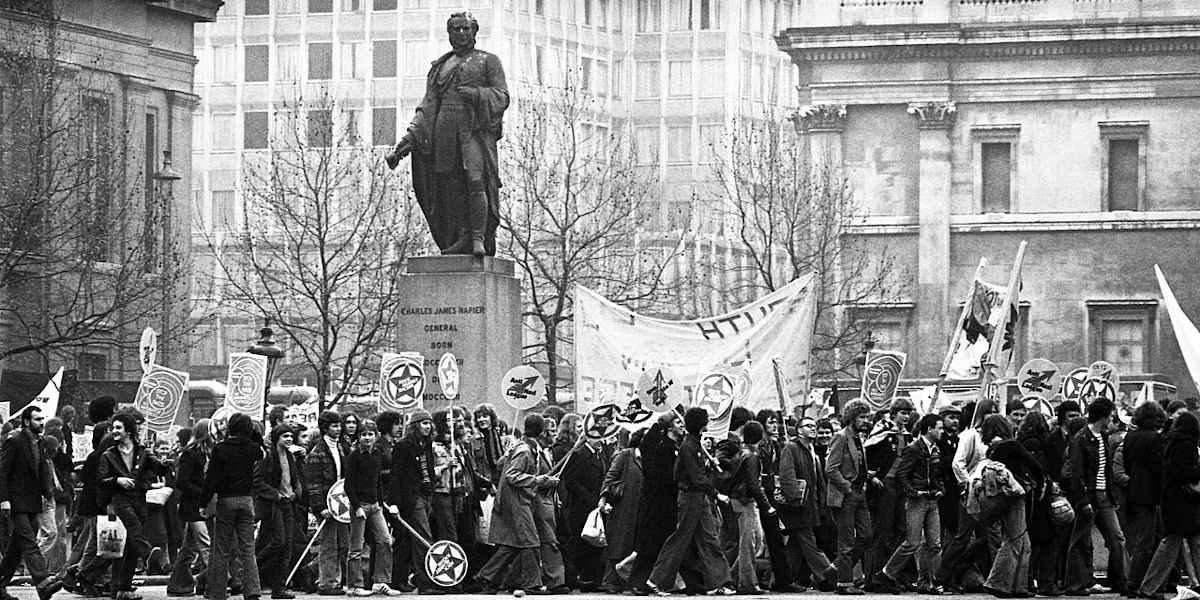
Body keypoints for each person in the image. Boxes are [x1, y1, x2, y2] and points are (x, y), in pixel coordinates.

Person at [385, 11, 510, 257]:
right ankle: (462, 235)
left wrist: (475, 94)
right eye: (456, 29)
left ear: (474, 31)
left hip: (472, 129)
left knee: (475, 180)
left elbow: (502, 96)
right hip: (444, 130)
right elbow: (428, 108)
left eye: (466, 28)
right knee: (451, 185)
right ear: (449, 33)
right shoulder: (440, 67)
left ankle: (478, 237)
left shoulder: (488, 61)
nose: (462, 33)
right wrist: (403, 146)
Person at [647, 407, 734, 596]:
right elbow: (695, 477)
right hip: (690, 496)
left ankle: (718, 582)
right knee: (681, 538)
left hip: (697, 497)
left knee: (709, 538)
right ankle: (657, 580)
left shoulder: (692, 444)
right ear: (702, 424)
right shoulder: (689, 446)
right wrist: (716, 494)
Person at [475, 414, 560, 593]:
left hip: (515, 499)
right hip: (516, 501)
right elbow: (512, 475)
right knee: (531, 541)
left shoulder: (521, 446)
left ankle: (485, 578)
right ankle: (532, 584)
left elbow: (500, 466)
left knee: (512, 544)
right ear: (542, 431)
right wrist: (539, 479)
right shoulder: (525, 450)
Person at [0, 405, 64, 600]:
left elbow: (42, 470)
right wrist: (3, 499)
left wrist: (47, 494)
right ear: (27, 421)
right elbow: (2, 471)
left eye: (42, 419)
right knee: (29, 543)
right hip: (16, 502)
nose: (42, 422)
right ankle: (43, 583)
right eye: (37, 419)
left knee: (16, 549)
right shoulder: (15, 440)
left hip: (34, 502)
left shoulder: (41, 442)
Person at [1065, 397, 1127, 595]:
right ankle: (1075, 584)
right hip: (1090, 496)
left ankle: (1120, 581)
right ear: (1102, 416)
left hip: (1103, 496)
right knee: (1081, 541)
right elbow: (1077, 472)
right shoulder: (1081, 439)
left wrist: (1111, 495)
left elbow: (1105, 470)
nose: (1112, 420)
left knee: (1117, 538)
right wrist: (1082, 500)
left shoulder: (1102, 437)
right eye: (1110, 416)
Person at [878, 413, 945, 595]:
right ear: (929, 429)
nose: (942, 431)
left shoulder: (935, 449)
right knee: (913, 542)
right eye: (939, 428)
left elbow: (938, 473)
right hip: (917, 500)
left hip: (932, 500)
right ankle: (887, 573)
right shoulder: (914, 448)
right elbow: (902, 474)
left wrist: (940, 488)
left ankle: (925, 582)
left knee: (934, 544)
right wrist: (914, 492)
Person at [1137, 412, 1200, 600]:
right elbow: (1184, 473)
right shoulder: (1186, 445)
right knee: (1178, 544)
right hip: (1184, 503)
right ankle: (1149, 587)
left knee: (1176, 544)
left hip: (1173, 501)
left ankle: (1149, 587)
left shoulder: (1170, 443)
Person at [202, 413, 264, 600]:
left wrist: (203, 503)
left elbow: (211, 479)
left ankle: (216, 592)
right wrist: (254, 434)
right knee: (248, 548)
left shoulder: (220, 449)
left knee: (221, 548)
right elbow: (262, 451)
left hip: (226, 500)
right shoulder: (252, 448)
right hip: (246, 500)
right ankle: (252, 590)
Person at [980, 414, 1042, 598]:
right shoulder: (1011, 445)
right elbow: (1035, 467)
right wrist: (1038, 485)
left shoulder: (992, 449)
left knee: (1023, 541)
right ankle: (997, 582)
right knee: (1015, 539)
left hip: (1000, 497)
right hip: (1016, 496)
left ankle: (1019, 586)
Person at [627, 413, 684, 594]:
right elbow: (665, 477)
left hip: (668, 502)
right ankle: (637, 581)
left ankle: (656, 581)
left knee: (662, 543)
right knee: (650, 543)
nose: (682, 425)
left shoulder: (674, 446)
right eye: (677, 422)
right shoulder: (662, 447)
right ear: (668, 427)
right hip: (658, 503)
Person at [779, 416, 837, 592]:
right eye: (808, 426)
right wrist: (795, 498)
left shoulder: (811, 450)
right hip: (798, 506)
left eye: (814, 425)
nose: (812, 428)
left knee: (795, 547)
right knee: (810, 544)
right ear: (798, 430)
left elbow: (818, 482)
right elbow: (786, 476)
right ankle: (831, 575)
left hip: (812, 506)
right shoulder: (791, 448)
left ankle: (782, 578)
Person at [345, 420, 399, 597]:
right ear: (359, 437)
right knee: (356, 547)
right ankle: (354, 585)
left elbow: (377, 482)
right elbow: (348, 485)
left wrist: (382, 503)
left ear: (376, 436)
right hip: (359, 506)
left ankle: (380, 581)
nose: (367, 438)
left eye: (370, 434)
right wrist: (356, 506)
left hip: (375, 506)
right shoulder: (354, 456)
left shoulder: (377, 455)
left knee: (385, 541)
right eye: (363, 434)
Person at [827, 399, 874, 596]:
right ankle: (844, 583)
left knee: (866, 536)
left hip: (859, 492)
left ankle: (834, 571)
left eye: (866, 417)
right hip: (846, 494)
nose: (865, 421)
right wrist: (847, 488)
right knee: (846, 541)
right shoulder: (841, 437)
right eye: (861, 417)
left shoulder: (858, 438)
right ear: (851, 418)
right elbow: (830, 468)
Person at [390, 409, 438, 594]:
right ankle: (426, 583)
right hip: (411, 497)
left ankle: (403, 579)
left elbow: (430, 469)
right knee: (423, 537)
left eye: (429, 423)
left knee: (411, 539)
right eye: (424, 423)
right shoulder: (403, 445)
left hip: (426, 495)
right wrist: (394, 502)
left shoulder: (427, 444)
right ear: (415, 425)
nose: (428, 427)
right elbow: (396, 475)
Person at [1121, 401, 1167, 594]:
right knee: (1148, 541)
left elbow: (1127, 463)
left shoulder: (1130, 437)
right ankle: (1136, 583)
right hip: (1151, 493)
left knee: (1142, 539)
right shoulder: (1156, 439)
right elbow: (1159, 467)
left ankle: (1135, 582)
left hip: (1134, 490)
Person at [303, 411, 350, 596]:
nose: (338, 429)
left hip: (340, 503)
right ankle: (326, 583)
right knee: (329, 544)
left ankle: (334, 579)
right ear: (325, 428)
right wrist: (319, 507)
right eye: (334, 426)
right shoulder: (318, 452)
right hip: (325, 505)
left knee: (342, 544)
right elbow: (313, 483)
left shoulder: (340, 447)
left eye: (339, 425)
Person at [255, 424, 304, 599]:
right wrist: (276, 495)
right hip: (274, 505)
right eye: (285, 436)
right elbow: (258, 481)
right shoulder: (268, 457)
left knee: (287, 546)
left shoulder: (291, 457)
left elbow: (294, 479)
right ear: (277, 438)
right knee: (279, 542)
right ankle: (253, 566)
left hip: (289, 505)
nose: (289, 439)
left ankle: (279, 588)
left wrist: (297, 492)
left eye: (291, 436)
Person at [167, 420, 214, 597]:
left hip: (204, 506)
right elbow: (182, 481)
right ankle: (214, 582)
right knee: (207, 546)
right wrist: (203, 493)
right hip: (194, 507)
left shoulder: (210, 452)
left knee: (189, 549)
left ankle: (179, 584)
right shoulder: (190, 453)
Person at [1018, 411, 1062, 596]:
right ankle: (1046, 582)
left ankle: (1027, 581)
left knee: (1031, 541)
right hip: (1042, 499)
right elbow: (1045, 469)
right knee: (1048, 541)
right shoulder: (1044, 444)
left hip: (1028, 497)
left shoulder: (1020, 443)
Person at [560, 424, 606, 591]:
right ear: (586, 437)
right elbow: (571, 481)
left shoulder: (599, 455)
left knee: (594, 542)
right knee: (580, 541)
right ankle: (572, 577)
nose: (599, 440)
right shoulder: (579, 455)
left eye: (600, 436)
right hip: (581, 507)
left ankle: (591, 578)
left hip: (595, 506)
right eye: (595, 437)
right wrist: (590, 499)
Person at [598, 429, 644, 593]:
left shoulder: (646, 459)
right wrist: (603, 499)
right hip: (621, 507)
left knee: (630, 543)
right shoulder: (625, 455)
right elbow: (609, 478)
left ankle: (624, 580)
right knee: (618, 543)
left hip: (637, 508)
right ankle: (609, 581)